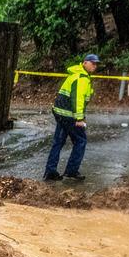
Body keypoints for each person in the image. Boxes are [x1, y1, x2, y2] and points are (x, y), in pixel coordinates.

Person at [44, 53, 98, 182]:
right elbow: (77, 100)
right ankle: (71, 171)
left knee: (58, 142)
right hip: (70, 116)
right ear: (85, 62)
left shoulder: (75, 74)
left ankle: (50, 171)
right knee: (81, 141)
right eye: (92, 63)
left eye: (96, 64)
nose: (94, 66)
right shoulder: (82, 78)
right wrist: (79, 119)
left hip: (61, 114)